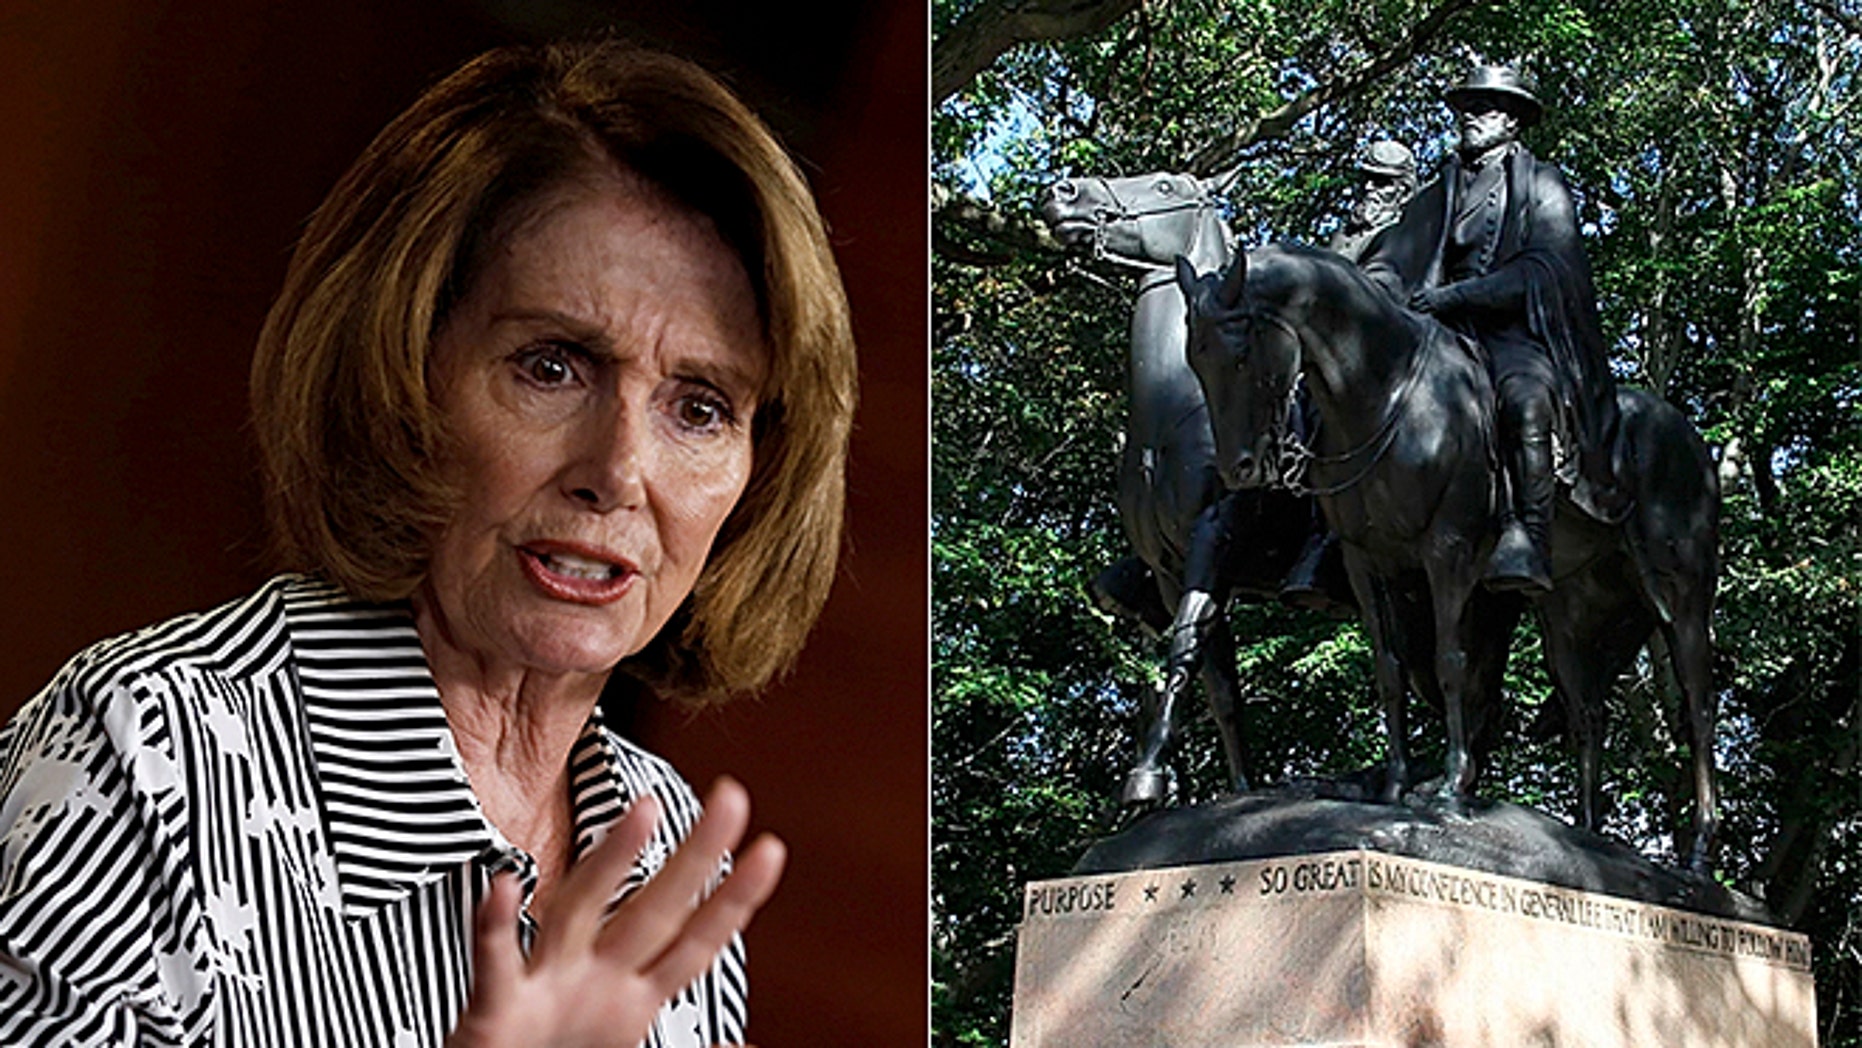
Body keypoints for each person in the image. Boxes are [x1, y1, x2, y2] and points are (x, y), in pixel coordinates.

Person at [0, 37, 856, 1048]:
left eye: (700, 408)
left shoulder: (667, 855)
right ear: (401, 375)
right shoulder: (145, 757)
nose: (618, 469)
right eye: (552, 365)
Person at [1361, 65, 1625, 593]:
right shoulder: (1440, 188)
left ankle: (1529, 533)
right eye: (1466, 108)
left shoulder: (1541, 183)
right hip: (1438, 333)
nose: (1469, 118)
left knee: (1526, 398)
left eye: (1482, 108)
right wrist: (1375, 287)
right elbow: (1396, 255)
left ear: (1510, 120)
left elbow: (1547, 267)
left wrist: (1458, 295)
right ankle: (1339, 534)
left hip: (1510, 333)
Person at [1327, 139, 1418, 263]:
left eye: (1380, 182)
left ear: (1405, 193)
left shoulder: (1401, 241)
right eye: (1365, 178)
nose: (1367, 187)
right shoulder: (1343, 232)